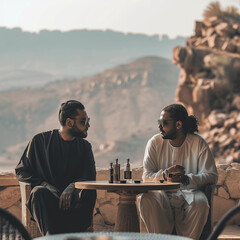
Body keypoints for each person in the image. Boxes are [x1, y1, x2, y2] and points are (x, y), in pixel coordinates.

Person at [15, 100, 97, 235]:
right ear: (69, 122)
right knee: (38, 192)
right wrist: (45, 185)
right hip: (49, 204)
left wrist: (71, 187)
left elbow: (89, 176)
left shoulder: (85, 147)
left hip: (75, 204)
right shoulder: (39, 141)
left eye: (88, 120)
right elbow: (21, 170)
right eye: (83, 121)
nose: (88, 125)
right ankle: (52, 238)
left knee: (89, 192)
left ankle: (73, 237)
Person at [137, 103, 218, 240]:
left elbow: (211, 176)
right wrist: (164, 175)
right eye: (159, 122)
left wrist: (186, 179)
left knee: (201, 203)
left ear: (178, 125)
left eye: (164, 123)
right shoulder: (154, 143)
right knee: (146, 199)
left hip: (189, 192)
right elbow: (146, 176)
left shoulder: (198, 143)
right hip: (161, 194)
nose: (159, 127)